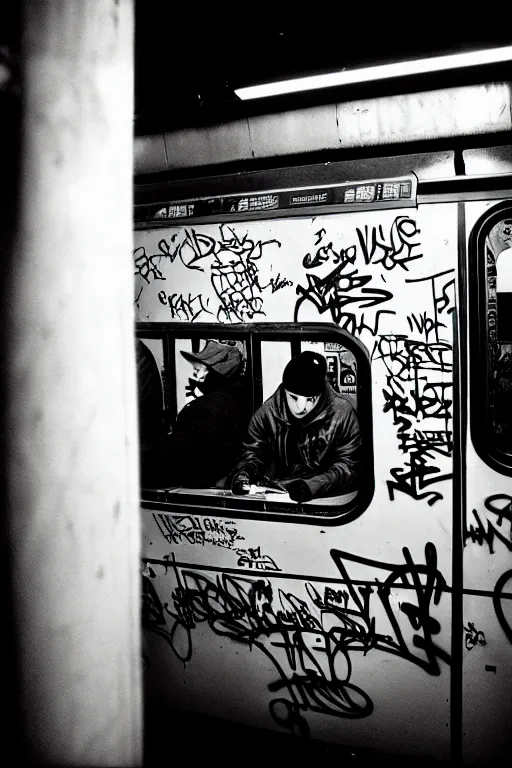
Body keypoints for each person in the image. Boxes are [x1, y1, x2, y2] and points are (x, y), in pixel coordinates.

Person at [230, 351, 361, 502]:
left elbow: (349, 466)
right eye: (294, 397)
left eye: (310, 399)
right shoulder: (266, 414)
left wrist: (311, 486)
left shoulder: (342, 414)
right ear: (284, 390)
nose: (301, 407)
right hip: (275, 495)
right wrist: (244, 474)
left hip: (326, 499)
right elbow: (252, 453)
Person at [162, 340, 251, 488]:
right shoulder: (229, 398)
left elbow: (190, 451)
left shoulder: (216, 404)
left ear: (213, 373)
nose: (194, 374)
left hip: (201, 482)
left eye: (197, 369)